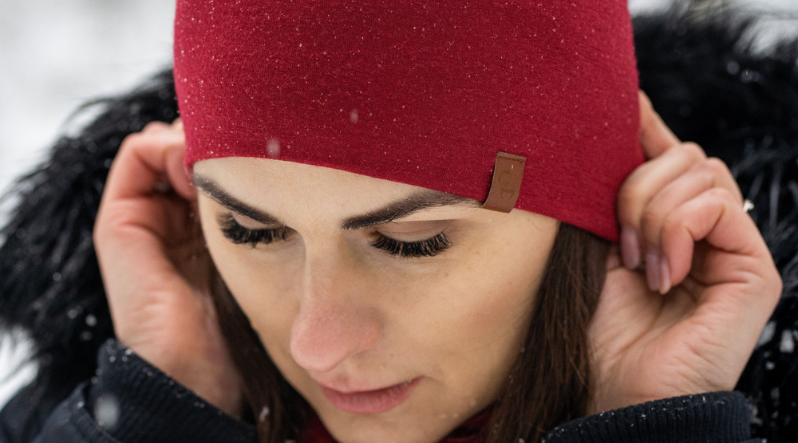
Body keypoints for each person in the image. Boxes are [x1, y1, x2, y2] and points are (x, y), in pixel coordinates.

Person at [0, 1, 795, 442]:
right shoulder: (90, 412)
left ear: (593, 211)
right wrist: (157, 416)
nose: (316, 340)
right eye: (251, 231)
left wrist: (655, 428)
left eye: (412, 241)